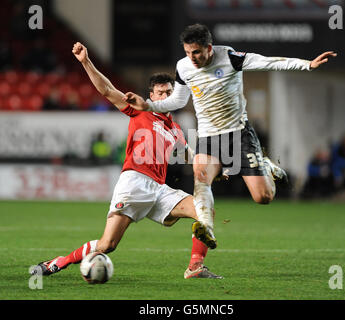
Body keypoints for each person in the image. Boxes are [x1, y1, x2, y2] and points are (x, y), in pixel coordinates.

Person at [124, 23, 337, 249]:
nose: (192, 57)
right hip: (208, 136)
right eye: (187, 52)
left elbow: (268, 61)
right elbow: (178, 100)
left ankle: (267, 167)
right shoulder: (184, 67)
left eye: (196, 52)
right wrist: (147, 106)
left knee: (263, 197)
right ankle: (205, 226)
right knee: (201, 175)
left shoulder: (230, 58)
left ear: (209, 47)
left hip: (239, 134)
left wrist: (307, 65)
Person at [30, 42, 222, 279]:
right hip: (135, 183)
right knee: (107, 245)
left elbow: (190, 157)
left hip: (159, 189)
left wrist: (213, 169)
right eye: (160, 93)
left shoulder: (177, 130)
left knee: (204, 208)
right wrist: (86, 62)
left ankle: (195, 266)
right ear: (151, 96)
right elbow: (108, 90)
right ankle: (59, 262)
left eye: (169, 92)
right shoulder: (141, 110)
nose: (165, 96)